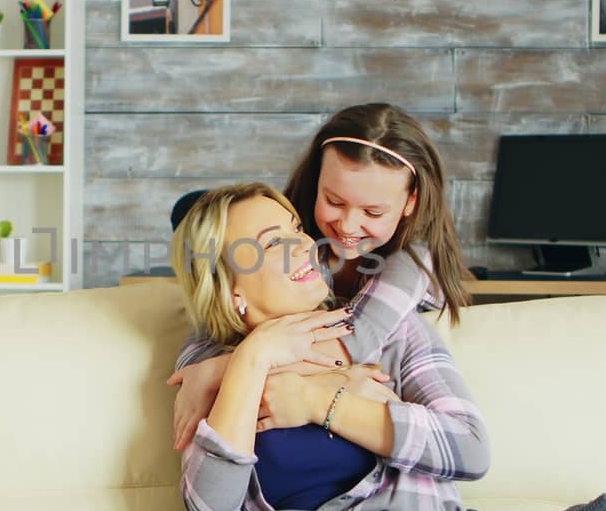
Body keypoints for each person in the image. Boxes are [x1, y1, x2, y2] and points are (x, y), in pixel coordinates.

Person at [128, 183, 490, 511]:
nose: (305, 246)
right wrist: (253, 358)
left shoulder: (394, 334)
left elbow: (469, 448)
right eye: (271, 244)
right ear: (233, 291)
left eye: (297, 230)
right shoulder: (210, 366)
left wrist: (324, 402)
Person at [169, 103, 472, 450]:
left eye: (373, 211)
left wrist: (220, 371)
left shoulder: (410, 262)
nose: (347, 225)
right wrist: (205, 367)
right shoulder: (297, 244)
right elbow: (211, 320)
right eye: (334, 201)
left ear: (411, 202)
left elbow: (351, 345)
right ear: (317, 183)